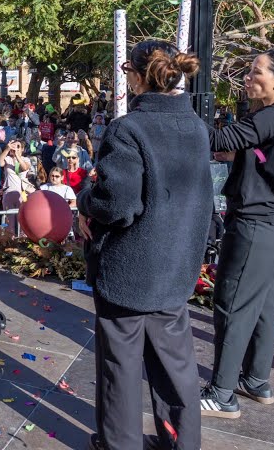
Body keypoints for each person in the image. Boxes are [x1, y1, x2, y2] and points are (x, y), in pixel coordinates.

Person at [78, 40, 213, 450]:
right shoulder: (196, 126)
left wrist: (85, 202)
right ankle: (181, 442)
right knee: (176, 365)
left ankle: (120, 444)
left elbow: (116, 205)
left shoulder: (129, 129)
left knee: (120, 366)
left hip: (130, 268)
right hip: (176, 263)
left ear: (137, 77)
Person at [201, 49, 274, 418]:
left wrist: (175, 110)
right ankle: (255, 379)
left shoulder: (272, 116)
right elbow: (269, 157)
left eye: (256, 71)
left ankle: (221, 394)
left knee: (232, 305)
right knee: (264, 305)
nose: (248, 77)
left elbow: (218, 140)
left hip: (258, 225)